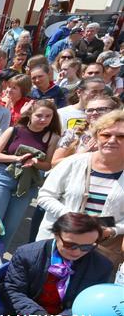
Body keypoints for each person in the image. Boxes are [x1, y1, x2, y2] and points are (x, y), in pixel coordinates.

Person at [0, 213, 113, 316]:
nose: (77, 251)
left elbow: (94, 302)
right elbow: (13, 290)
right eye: (70, 245)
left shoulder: (101, 266)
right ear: (55, 234)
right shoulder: (28, 254)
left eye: (87, 247)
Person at [37, 110, 124, 266]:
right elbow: (44, 196)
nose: (112, 140)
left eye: (121, 136)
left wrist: (113, 230)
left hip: (100, 250)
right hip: (59, 242)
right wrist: (72, 218)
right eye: (105, 135)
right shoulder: (73, 162)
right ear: (96, 137)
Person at [0, 100, 61, 247]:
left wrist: (35, 162)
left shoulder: (53, 137)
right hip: (4, 177)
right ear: (30, 115)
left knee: (11, 225)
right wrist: (17, 158)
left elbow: (47, 165)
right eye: (39, 115)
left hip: (28, 183)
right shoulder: (14, 130)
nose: (43, 119)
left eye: (48, 116)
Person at [51, 94, 120, 165]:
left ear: (114, 111)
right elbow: (55, 162)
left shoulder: (121, 134)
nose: (94, 113)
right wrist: (84, 152)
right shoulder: (72, 133)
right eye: (90, 110)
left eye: (101, 109)